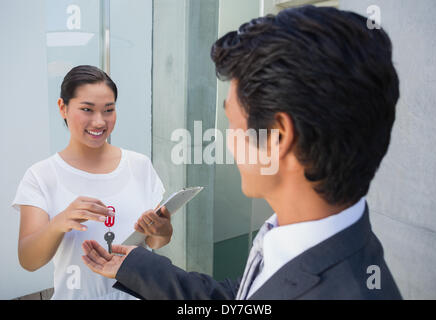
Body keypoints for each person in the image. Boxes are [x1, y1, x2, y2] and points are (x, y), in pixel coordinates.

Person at [81, 5, 402, 299]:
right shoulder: (306, 239)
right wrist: (137, 267)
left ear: (278, 137)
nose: (227, 140)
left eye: (232, 122)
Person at [12, 65, 173, 300]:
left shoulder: (139, 165)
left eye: (109, 110)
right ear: (62, 108)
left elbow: (156, 242)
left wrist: (163, 231)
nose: (99, 122)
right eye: (87, 109)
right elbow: (28, 260)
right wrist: (59, 222)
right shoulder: (41, 176)